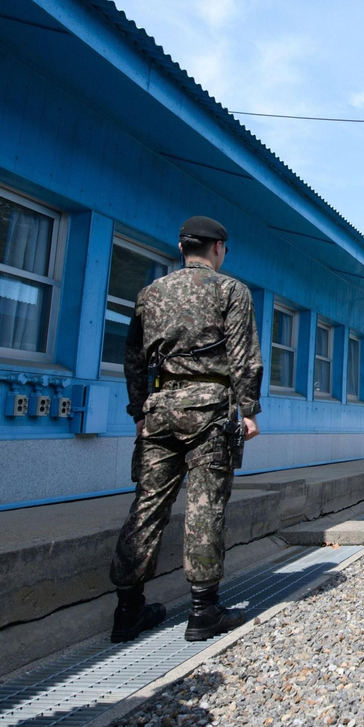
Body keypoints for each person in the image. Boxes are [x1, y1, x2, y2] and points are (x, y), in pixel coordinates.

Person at [110, 216, 261, 644]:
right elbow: (243, 354)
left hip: (159, 409)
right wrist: (249, 409)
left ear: (182, 249)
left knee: (147, 504)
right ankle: (202, 610)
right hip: (210, 409)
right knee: (205, 505)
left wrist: (139, 411)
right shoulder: (231, 290)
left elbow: (133, 359)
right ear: (218, 248)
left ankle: (127, 609)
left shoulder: (149, 294)